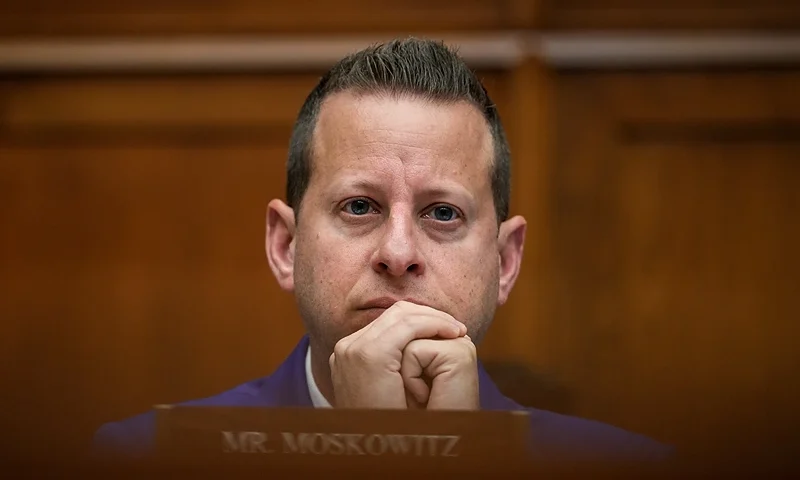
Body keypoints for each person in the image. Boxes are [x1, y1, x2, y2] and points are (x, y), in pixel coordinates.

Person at [92, 37, 671, 461]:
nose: (398, 253)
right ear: (286, 246)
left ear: (506, 261)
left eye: (442, 213)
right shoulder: (144, 461)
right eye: (360, 207)